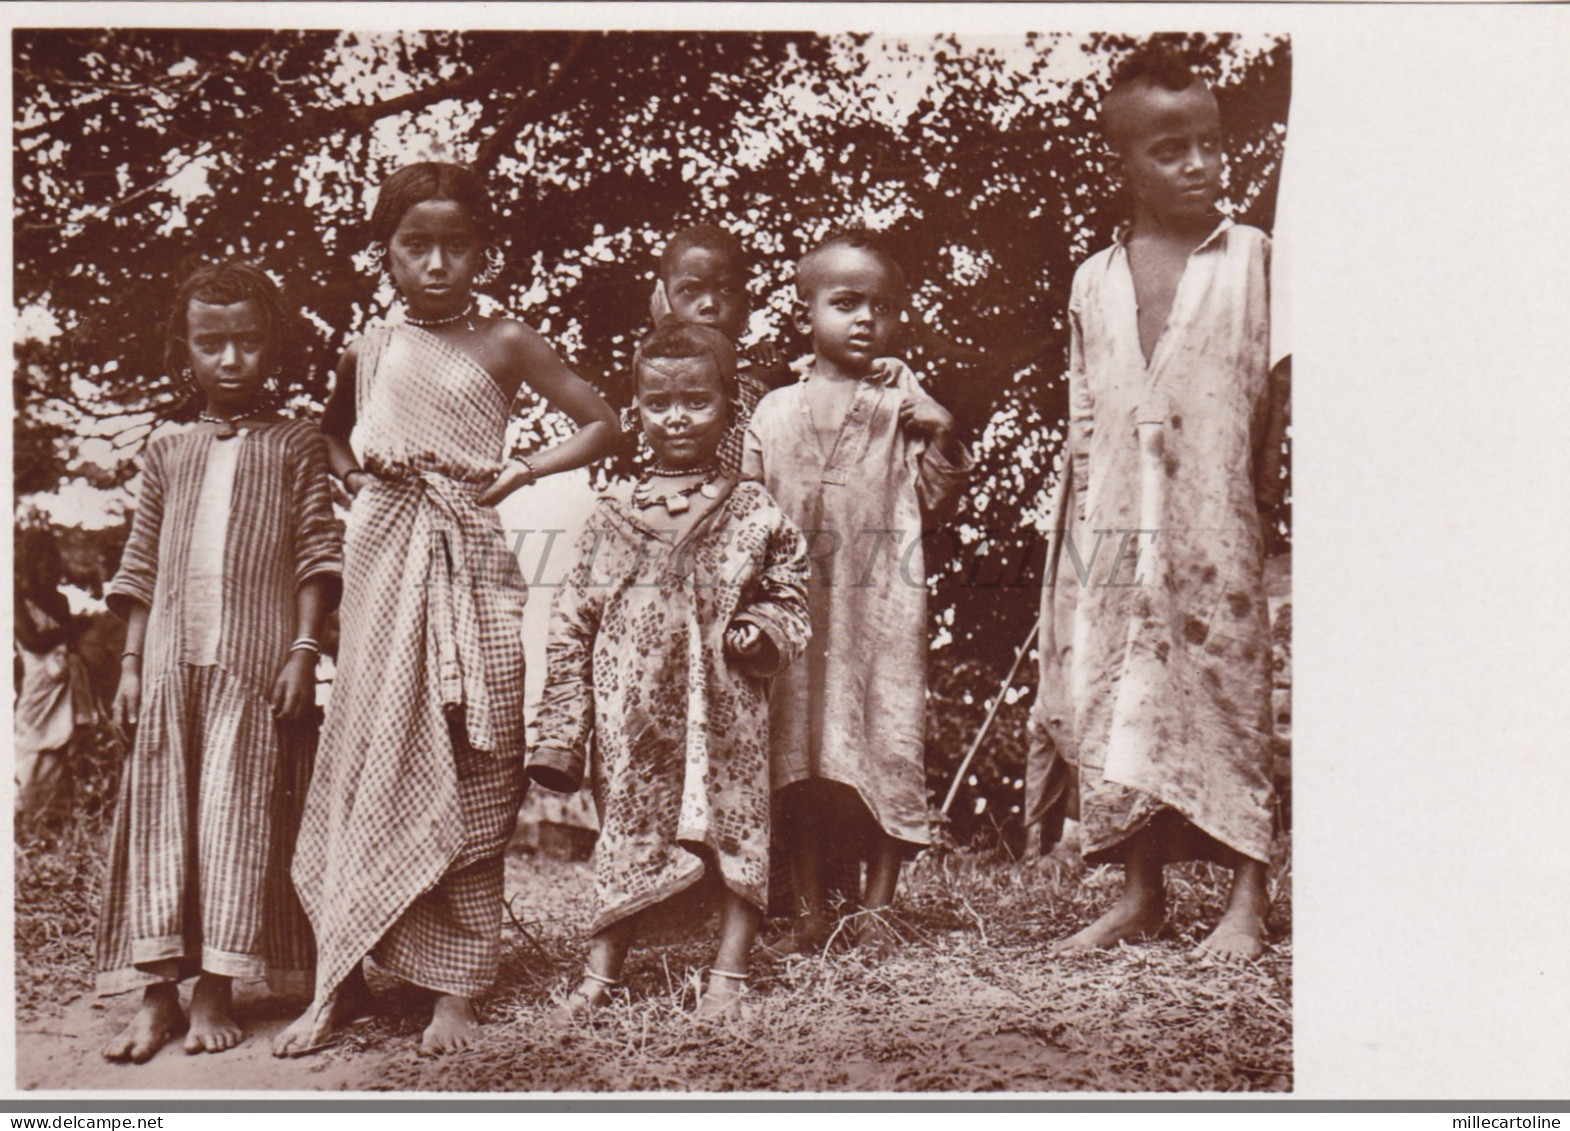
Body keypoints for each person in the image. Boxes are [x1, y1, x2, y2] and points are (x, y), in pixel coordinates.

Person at [274, 162, 620, 1057]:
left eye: (455, 246)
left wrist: (525, 471)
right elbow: (333, 433)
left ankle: (456, 988)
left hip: (472, 556)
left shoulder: (507, 340)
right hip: (384, 558)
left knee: (477, 747)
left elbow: (601, 420)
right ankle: (340, 978)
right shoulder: (368, 345)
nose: (436, 264)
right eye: (414, 245)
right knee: (370, 753)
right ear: (385, 253)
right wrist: (357, 481)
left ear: (484, 251)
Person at [1048, 48, 1285, 962]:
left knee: (1226, 685)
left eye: (1212, 144)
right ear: (1125, 163)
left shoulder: (1256, 259)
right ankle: (1138, 895)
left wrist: (1266, 499)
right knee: (1118, 691)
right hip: (1112, 523)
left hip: (1216, 517)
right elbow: (1081, 410)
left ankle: (1247, 896)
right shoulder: (1090, 279)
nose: (1200, 164)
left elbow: (1277, 396)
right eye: (1171, 148)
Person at [96, 259, 342, 1062]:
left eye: (246, 342)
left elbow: (317, 551)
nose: (229, 359)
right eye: (211, 344)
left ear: (272, 348)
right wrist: (132, 663)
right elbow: (139, 563)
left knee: (235, 822)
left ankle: (216, 987)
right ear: (185, 350)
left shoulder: (297, 442)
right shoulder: (167, 449)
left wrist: (304, 649)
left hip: (250, 667)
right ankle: (157, 993)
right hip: (170, 669)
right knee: (161, 821)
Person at [529, 322, 810, 1022]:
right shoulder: (612, 515)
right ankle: (602, 975)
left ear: (729, 406)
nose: (677, 416)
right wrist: (563, 731)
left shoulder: (753, 510)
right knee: (628, 828)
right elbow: (571, 626)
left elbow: (790, 590)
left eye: (696, 400)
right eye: (658, 402)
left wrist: (763, 630)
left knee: (739, 827)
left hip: (727, 713)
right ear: (636, 409)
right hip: (636, 720)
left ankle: (730, 971)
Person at [743, 230, 972, 958]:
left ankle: (876, 910)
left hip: (878, 609)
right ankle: (811, 909)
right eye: (845, 303)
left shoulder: (901, 403)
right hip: (796, 608)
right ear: (806, 309)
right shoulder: (774, 410)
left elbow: (936, 502)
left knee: (882, 739)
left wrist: (944, 433)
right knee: (799, 756)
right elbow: (743, 510)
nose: (866, 320)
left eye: (883, 307)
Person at [648, 223, 791, 477]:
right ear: (663, 299)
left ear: (746, 304)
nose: (709, 304)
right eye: (689, 290)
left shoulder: (764, 371)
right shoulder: (652, 369)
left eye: (726, 289)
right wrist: (668, 331)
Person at [14, 527, 98, 832]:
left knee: (63, 749)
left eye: (53, 558)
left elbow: (68, 642)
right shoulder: (17, 598)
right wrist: (73, 627)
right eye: (41, 559)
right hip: (38, 683)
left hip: (61, 682)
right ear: (29, 562)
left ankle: (54, 822)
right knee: (33, 748)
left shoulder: (60, 601)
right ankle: (26, 820)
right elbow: (33, 640)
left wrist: (72, 632)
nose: (48, 566)